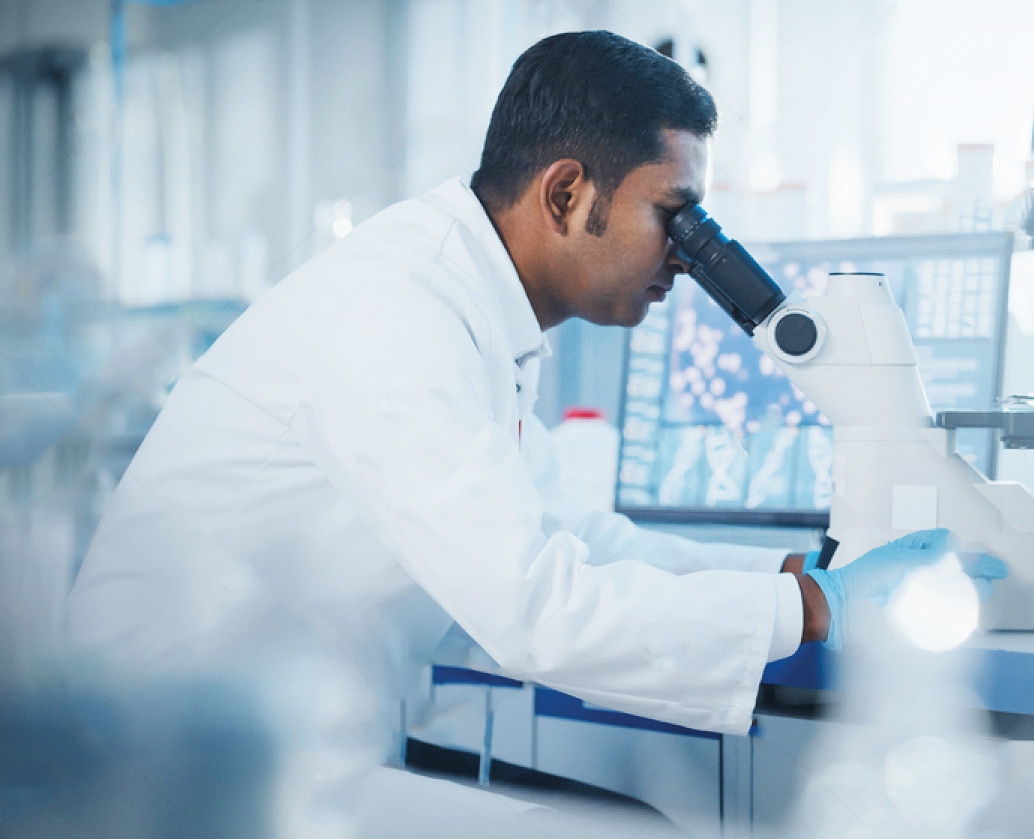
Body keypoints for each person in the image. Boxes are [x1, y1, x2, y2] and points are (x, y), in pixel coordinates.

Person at [64, 30, 1004, 836]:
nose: (685, 252)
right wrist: (816, 612)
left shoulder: (470, 304)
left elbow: (565, 534)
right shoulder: (399, 311)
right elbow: (536, 607)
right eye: (671, 215)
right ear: (565, 196)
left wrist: (784, 582)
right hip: (169, 774)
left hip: (272, 741)